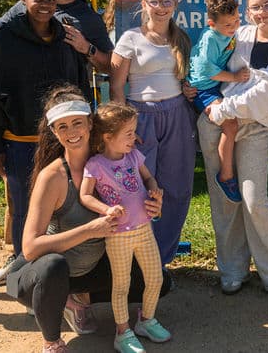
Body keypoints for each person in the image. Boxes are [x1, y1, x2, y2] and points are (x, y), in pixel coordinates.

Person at [6, 87, 169, 353]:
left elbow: (137, 188)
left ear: (90, 123)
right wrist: (90, 230)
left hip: (87, 267)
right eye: (62, 127)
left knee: (159, 280)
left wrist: (153, 203)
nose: (71, 132)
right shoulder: (54, 176)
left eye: (77, 123)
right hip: (38, 274)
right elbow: (31, 247)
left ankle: (79, 299)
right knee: (53, 268)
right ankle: (52, 339)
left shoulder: (109, 160)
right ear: (54, 132)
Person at [0, 0, 92, 274]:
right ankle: (24, 272)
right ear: (23, 0)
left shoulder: (67, 37)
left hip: (64, 142)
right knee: (23, 209)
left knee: (65, 207)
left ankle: (64, 273)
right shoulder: (7, 39)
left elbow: (80, 87)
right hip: (20, 142)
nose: (44, 5)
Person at [198, 0, 268, 305]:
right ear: (247, 10)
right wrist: (205, 99)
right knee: (224, 199)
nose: (261, 12)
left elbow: (264, 95)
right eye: (255, 7)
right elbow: (208, 68)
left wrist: (221, 110)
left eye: (267, 5)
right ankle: (232, 269)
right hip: (215, 122)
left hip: (251, 127)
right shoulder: (237, 35)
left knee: (254, 200)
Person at [109, 0, 198, 268]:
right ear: (144, 4)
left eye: (167, 1)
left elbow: (188, 78)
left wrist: (189, 89)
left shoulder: (181, 38)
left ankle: (160, 259)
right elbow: (116, 87)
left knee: (177, 187)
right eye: (155, 1)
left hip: (177, 116)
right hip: (139, 116)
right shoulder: (129, 38)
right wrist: (124, 129)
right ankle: (135, 260)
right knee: (138, 187)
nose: (161, 7)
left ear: (175, 4)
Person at [79, 103, 170, 353]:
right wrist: (106, 210)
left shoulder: (133, 156)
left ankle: (146, 320)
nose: (134, 137)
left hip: (144, 229)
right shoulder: (95, 165)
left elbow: (148, 177)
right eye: (128, 133)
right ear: (108, 137)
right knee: (121, 284)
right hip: (118, 234)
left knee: (155, 278)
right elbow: (85, 196)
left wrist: (154, 189)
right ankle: (122, 332)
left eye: (134, 131)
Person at [187, 0, 249, 202]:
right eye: (227, 25)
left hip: (215, 87)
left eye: (236, 21)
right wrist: (234, 77)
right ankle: (226, 176)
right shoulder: (210, 39)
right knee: (230, 124)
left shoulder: (227, 33)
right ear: (212, 23)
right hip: (204, 89)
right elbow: (208, 72)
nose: (233, 28)